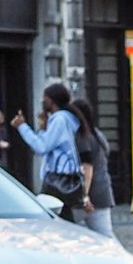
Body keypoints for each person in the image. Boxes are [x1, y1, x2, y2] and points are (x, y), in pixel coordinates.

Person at [12, 83, 82, 220]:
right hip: (63, 178)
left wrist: (22, 127)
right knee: (62, 219)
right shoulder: (65, 118)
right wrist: (43, 128)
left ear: (52, 100)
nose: (42, 101)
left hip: (58, 179)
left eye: (45, 98)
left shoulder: (60, 119)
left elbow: (42, 147)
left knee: (52, 218)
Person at [68, 95, 116, 237]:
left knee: (105, 238)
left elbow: (87, 168)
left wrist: (84, 196)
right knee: (104, 236)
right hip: (102, 190)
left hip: (91, 194)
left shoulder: (82, 137)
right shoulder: (97, 134)